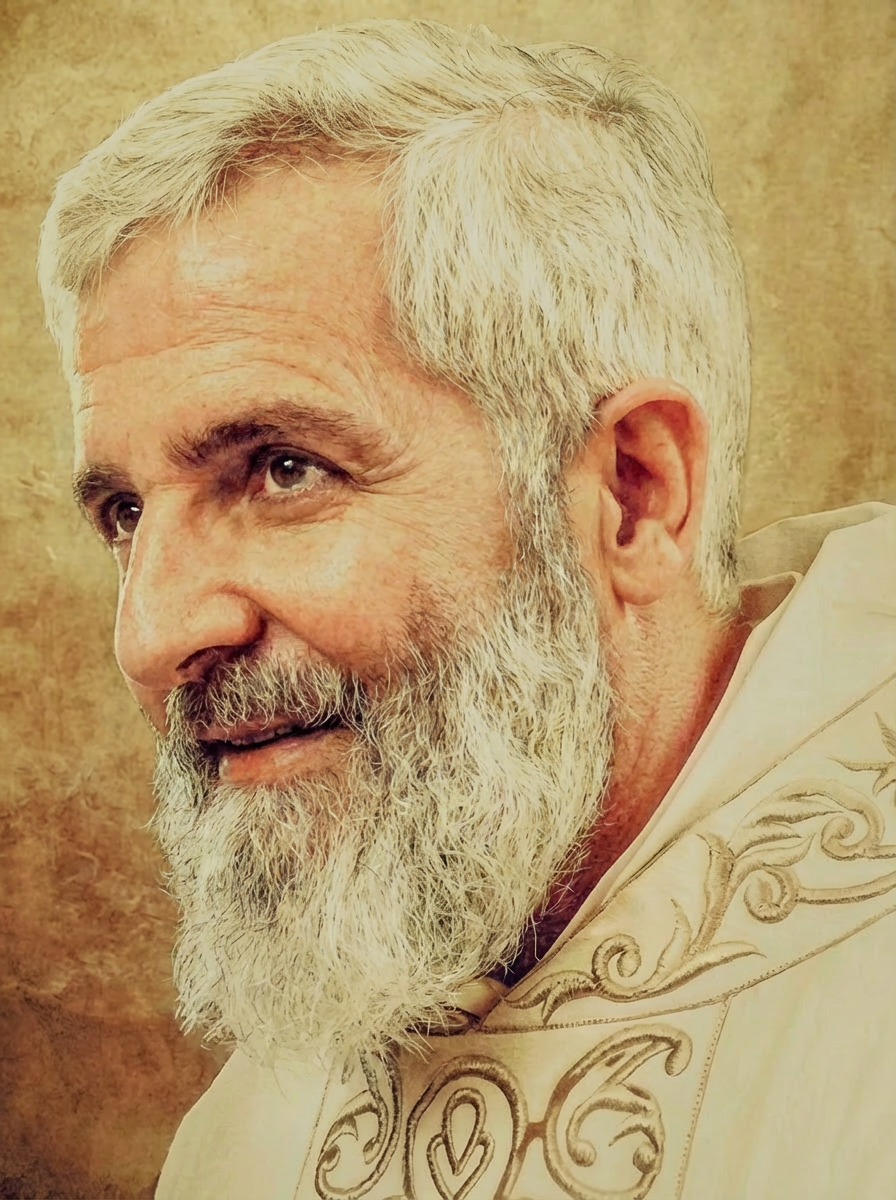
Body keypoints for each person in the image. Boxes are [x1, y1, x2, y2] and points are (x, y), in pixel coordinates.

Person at [38, 18, 894, 1200]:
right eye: (126, 512)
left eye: (283, 468)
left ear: (634, 495)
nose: (151, 635)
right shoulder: (250, 1137)